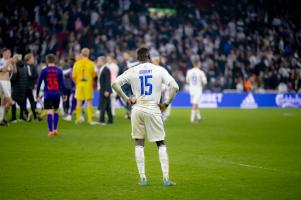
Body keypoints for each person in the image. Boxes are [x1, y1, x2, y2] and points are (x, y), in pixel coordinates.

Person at [112, 47, 179, 186]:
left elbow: (114, 84)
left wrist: (126, 99)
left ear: (138, 58)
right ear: (149, 57)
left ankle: (143, 178)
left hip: (137, 109)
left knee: (139, 143)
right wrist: (166, 103)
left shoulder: (132, 70)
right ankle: (166, 179)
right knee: (160, 143)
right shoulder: (159, 70)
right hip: (153, 108)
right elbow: (175, 87)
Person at [36, 54, 66, 137]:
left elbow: (39, 83)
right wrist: (64, 94)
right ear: (55, 61)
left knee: (49, 112)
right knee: (56, 111)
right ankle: (55, 130)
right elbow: (62, 84)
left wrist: (37, 93)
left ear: (47, 61)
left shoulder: (44, 71)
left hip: (48, 94)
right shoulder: (59, 70)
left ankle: (50, 131)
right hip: (56, 94)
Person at [72, 48, 97, 125]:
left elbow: (73, 76)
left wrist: (77, 82)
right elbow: (95, 74)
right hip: (88, 84)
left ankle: (78, 119)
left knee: (78, 102)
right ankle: (90, 120)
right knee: (89, 102)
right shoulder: (92, 63)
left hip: (79, 84)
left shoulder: (76, 63)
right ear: (88, 54)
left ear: (81, 54)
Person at [186, 55, 207, 123]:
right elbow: (205, 82)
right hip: (198, 90)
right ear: (197, 64)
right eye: (200, 63)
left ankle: (199, 118)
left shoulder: (189, 71)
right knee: (195, 104)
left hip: (191, 90)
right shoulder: (201, 72)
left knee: (195, 104)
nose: (200, 64)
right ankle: (192, 120)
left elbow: (187, 81)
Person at [0, 48, 17, 126]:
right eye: (7, 52)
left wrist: (14, 63)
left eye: (10, 53)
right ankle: (2, 118)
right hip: (2, 82)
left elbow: (15, 71)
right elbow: (3, 70)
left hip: (7, 82)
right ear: (3, 53)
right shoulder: (1, 61)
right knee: (10, 102)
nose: (9, 54)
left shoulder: (9, 61)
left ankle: (1, 120)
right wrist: (9, 62)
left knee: (3, 102)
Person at [11, 54, 30, 122]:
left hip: (16, 87)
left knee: (13, 101)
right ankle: (22, 117)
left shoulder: (16, 66)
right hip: (23, 87)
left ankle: (14, 118)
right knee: (21, 102)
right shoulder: (24, 66)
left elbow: (13, 78)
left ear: (16, 59)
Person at [97, 56, 113, 124]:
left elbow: (107, 81)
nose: (97, 62)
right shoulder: (102, 69)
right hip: (103, 89)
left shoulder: (106, 69)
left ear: (102, 61)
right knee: (107, 106)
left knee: (103, 105)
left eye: (98, 61)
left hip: (104, 90)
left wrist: (107, 90)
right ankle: (110, 120)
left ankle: (101, 120)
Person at [24, 53, 40, 121]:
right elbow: (31, 76)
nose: (33, 59)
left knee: (24, 102)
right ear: (29, 59)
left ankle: (27, 115)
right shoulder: (30, 66)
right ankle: (34, 116)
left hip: (25, 86)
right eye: (32, 58)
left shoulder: (24, 66)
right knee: (32, 101)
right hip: (29, 87)